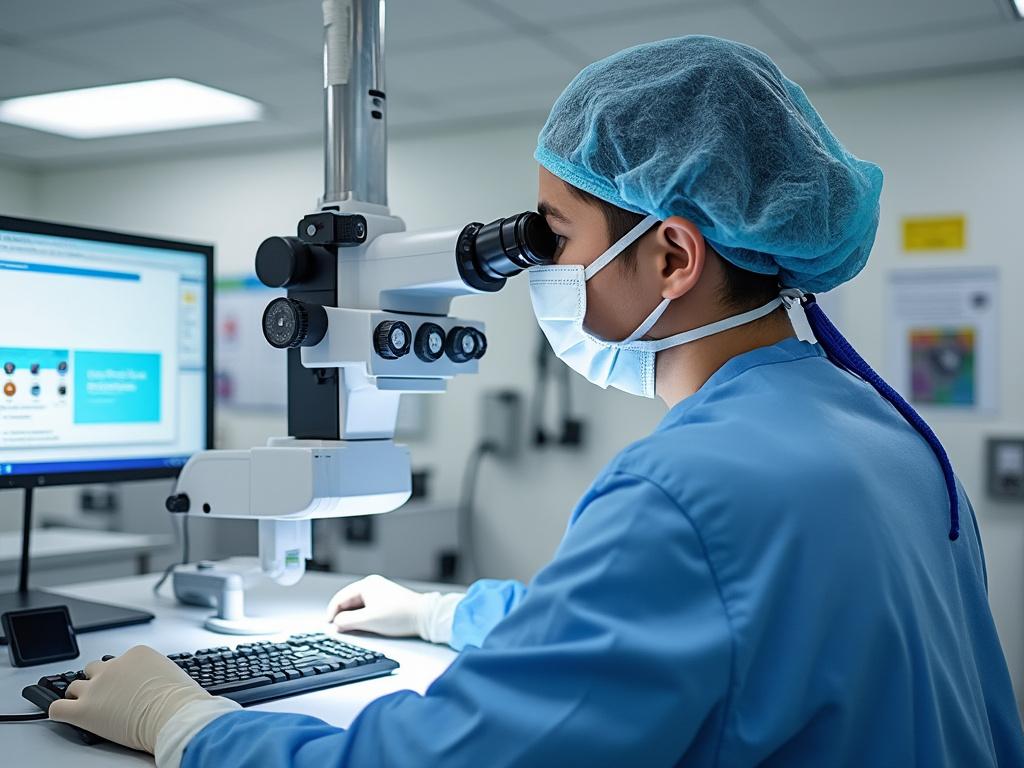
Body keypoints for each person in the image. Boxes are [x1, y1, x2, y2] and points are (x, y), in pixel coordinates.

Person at [51, 36, 1024, 767]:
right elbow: (685, 630)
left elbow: (441, 758)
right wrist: (439, 615)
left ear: (671, 256)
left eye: (551, 237)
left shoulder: (687, 489)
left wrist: (185, 724)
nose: (537, 271)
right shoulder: (883, 433)